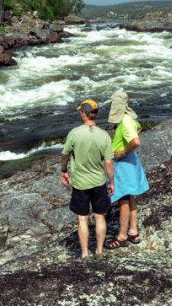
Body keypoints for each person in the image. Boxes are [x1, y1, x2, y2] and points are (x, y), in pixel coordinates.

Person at [60, 99, 115, 259]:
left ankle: (84, 253)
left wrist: (64, 171)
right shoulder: (104, 135)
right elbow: (109, 162)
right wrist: (111, 182)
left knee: (82, 218)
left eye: (80, 111)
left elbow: (65, 155)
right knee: (100, 216)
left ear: (84, 113)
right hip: (98, 181)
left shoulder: (75, 133)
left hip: (80, 183)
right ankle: (99, 250)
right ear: (95, 114)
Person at [105, 90, 150, 249]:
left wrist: (122, 151)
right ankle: (133, 231)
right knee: (130, 197)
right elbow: (139, 128)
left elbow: (136, 141)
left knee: (123, 198)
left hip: (123, 164)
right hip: (131, 163)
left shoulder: (124, 121)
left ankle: (122, 236)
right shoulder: (129, 118)